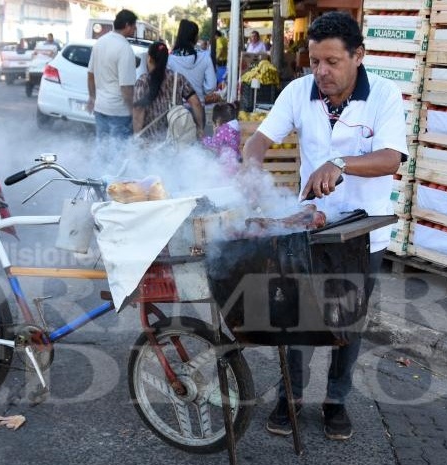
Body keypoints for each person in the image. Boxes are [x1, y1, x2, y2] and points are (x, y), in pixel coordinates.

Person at [241, 11, 407, 441]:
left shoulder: (385, 96)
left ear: (358, 56)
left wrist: (341, 164)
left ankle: (336, 402)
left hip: (364, 232)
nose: (322, 71)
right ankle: (290, 398)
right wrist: (252, 168)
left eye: (332, 62)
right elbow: (259, 141)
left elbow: (391, 158)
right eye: (315, 61)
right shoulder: (299, 92)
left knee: (346, 321)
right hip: (309, 227)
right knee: (295, 316)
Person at [132, 41, 204, 143]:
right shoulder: (178, 78)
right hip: (175, 140)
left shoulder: (142, 81)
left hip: (149, 145)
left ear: (149, 59)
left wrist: (137, 137)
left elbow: (138, 110)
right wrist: (200, 127)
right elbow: (196, 103)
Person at [88, 9, 139, 142]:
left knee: (103, 151)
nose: (135, 29)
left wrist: (92, 98)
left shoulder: (99, 42)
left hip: (100, 108)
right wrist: (133, 113)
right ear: (127, 25)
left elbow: (90, 74)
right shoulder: (125, 48)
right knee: (118, 156)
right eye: (134, 26)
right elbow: (126, 88)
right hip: (119, 112)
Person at [167, 19, 217, 105]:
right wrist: (201, 91)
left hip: (178, 111)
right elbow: (211, 86)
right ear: (195, 37)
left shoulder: (170, 59)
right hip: (198, 107)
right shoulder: (205, 57)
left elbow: (168, 85)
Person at [202, 102, 241, 173]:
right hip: (235, 159)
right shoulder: (233, 128)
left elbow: (215, 143)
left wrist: (204, 139)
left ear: (218, 119)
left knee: (225, 180)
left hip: (227, 162)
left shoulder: (224, 130)